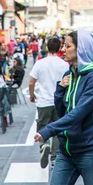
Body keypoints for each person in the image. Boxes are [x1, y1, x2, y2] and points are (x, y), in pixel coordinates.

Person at [34, 30, 93, 185]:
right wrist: (60, 89)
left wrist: (48, 130)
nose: (63, 50)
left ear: (80, 49)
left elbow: (78, 113)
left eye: (67, 46)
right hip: (66, 151)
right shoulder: (70, 74)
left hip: (91, 151)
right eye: (63, 45)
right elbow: (63, 111)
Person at [29, 36, 69, 169]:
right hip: (59, 101)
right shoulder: (64, 64)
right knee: (58, 128)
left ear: (47, 48)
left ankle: (43, 145)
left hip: (43, 101)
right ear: (59, 49)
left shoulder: (40, 63)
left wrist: (32, 95)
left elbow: (31, 81)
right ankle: (54, 156)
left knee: (42, 125)